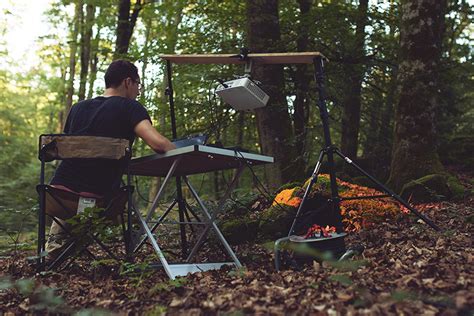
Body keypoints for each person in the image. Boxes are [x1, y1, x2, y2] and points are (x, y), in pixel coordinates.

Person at [46, 59, 176, 254]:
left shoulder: (77, 108)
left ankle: (54, 246)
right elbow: (159, 144)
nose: (138, 91)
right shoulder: (130, 107)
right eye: (138, 84)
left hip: (58, 196)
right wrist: (184, 149)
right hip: (101, 200)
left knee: (75, 184)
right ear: (127, 82)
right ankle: (135, 247)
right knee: (110, 193)